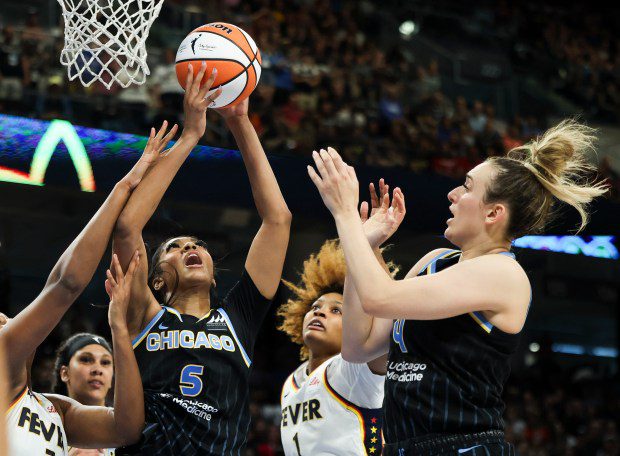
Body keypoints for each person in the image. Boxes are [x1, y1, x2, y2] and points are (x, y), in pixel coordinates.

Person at [307, 120, 608, 455]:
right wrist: (365, 243)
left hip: (464, 446)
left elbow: (379, 297)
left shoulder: (503, 274)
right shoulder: (434, 262)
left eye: (466, 187)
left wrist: (344, 213)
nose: (452, 194)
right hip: (400, 446)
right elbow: (358, 347)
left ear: (493, 212)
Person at [112, 62, 291, 455]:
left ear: (213, 276)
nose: (189, 248)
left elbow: (277, 220)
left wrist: (240, 121)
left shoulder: (238, 317)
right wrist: (191, 135)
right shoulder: (144, 312)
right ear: (155, 278)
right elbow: (127, 228)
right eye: (174, 248)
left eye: (196, 244)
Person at [1, 122, 177, 455]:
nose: (9, 325)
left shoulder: (56, 411)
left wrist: (118, 330)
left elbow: (125, 428)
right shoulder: (4, 382)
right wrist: (125, 185)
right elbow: (65, 284)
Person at [277, 222, 399, 455]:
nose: (319, 312)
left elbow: (387, 321)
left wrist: (370, 248)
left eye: (336, 311)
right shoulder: (290, 382)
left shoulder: (356, 370)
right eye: (315, 307)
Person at [53, 333, 115, 455]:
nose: (98, 369)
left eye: (105, 362)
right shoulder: (42, 424)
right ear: (65, 373)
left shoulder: (130, 427)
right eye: (86, 360)